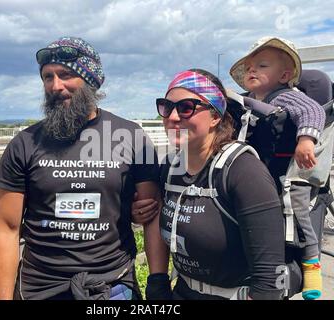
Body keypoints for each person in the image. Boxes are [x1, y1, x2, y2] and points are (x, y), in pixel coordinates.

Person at [0, 36, 168, 300]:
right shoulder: (25, 144)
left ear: (92, 81)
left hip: (112, 285)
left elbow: (151, 213)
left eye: (65, 75)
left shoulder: (130, 136)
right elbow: (7, 228)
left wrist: (157, 280)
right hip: (40, 289)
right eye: (47, 77)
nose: (55, 86)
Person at [138, 68, 287, 300]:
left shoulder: (244, 171)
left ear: (215, 116)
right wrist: (157, 280)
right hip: (182, 292)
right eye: (166, 107)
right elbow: (156, 217)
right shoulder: (170, 167)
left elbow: (270, 278)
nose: (173, 117)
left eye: (187, 107)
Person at [229, 36, 326, 299]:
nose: (252, 71)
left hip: (290, 175)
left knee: (300, 214)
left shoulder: (286, 97)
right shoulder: (245, 101)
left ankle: (311, 263)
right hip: (259, 172)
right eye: (249, 67)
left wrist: (306, 139)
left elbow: (313, 112)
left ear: (284, 75)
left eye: (261, 66)